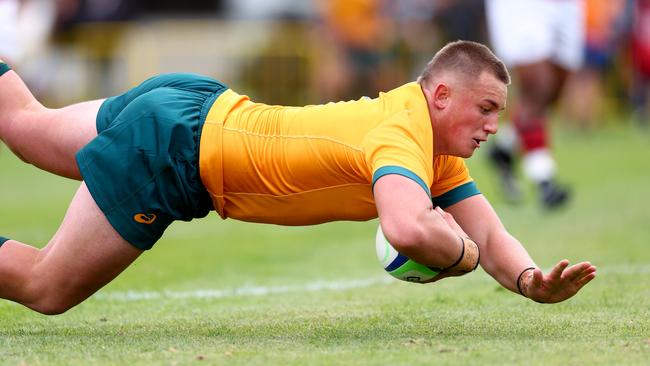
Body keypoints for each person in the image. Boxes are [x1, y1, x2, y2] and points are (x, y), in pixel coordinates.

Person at [0, 40, 596, 315]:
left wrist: (526, 280)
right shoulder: (400, 133)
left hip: (195, 104)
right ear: (441, 95)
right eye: (486, 108)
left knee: (24, 125)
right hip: (175, 152)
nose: (496, 125)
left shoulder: (435, 152)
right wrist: (459, 256)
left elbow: (489, 236)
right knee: (45, 288)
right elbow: (410, 230)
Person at [485, 0, 585, 208]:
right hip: (524, 6)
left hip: (566, 6)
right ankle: (544, 180)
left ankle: (505, 147)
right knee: (538, 86)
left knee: (552, 92)